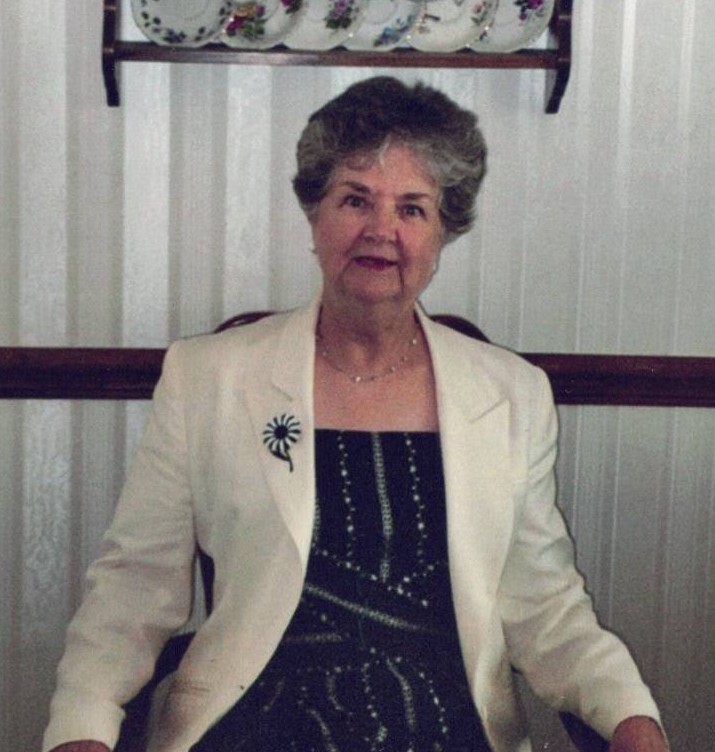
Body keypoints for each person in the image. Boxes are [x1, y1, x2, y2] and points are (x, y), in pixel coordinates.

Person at [44, 76, 668, 752]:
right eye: (355, 199)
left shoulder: (512, 395)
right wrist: (82, 729)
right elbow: (132, 590)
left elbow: (547, 609)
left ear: (443, 231)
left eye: (412, 208)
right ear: (314, 215)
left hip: (442, 727)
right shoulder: (208, 378)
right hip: (258, 724)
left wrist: (631, 720)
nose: (381, 230)